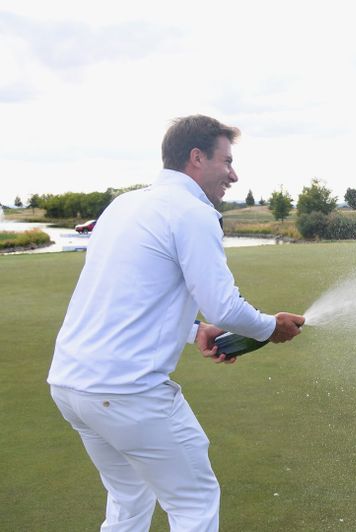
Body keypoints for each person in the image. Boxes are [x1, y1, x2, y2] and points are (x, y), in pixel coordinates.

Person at [47, 115, 306, 532]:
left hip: (70, 387)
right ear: (197, 157)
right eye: (227, 161)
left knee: (128, 500)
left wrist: (194, 330)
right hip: (128, 392)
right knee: (194, 504)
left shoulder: (124, 204)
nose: (234, 174)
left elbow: (128, 293)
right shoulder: (193, 211)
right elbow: (225, 308)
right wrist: (270, 328)